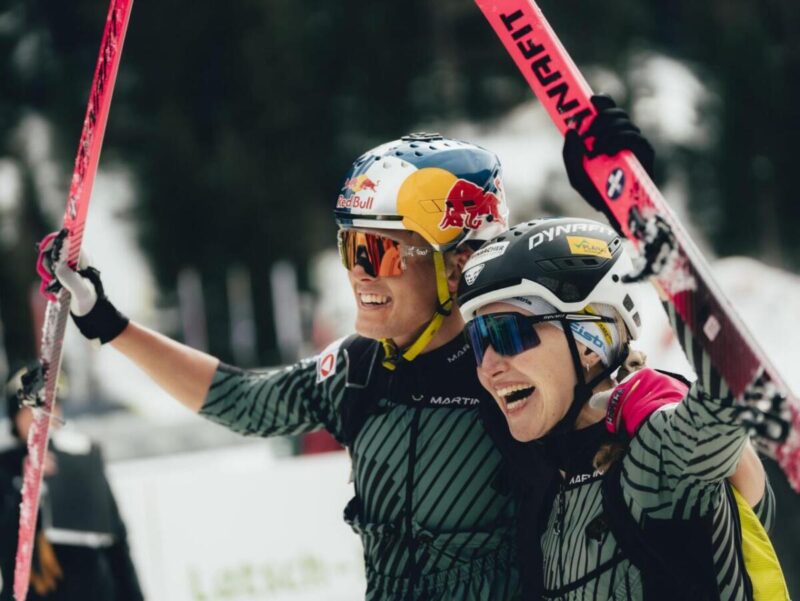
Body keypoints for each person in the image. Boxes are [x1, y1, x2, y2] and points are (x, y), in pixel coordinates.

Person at [37, 134, 536, 601]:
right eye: (350, 247)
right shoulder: (358, 369)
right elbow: (242, 400)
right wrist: (107, 322)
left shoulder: (518, 368)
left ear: (457, 263)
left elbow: (608, 421)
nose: (358, 272)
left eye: (380, 252)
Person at [457, 214, 789, 600]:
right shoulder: (544, 473)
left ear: (587, 340)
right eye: (480, 341)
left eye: (509, 334)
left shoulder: (654, 452)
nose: (488, 364)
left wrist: (662, 251)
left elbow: (730, 392)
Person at [0, 367, 145, 601]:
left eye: (50, 406)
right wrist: (26, 489)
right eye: (31, 408)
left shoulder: (82, 458)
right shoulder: (5, 469)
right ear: (16, 416)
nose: (41, 417)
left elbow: (116, 541)